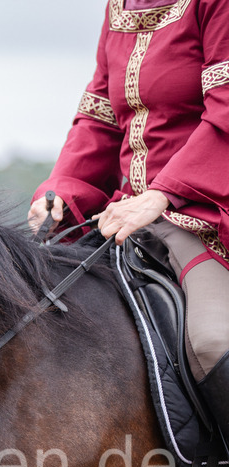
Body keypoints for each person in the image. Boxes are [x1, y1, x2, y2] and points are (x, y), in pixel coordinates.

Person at [28, 0, 229, 442]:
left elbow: (227, 112)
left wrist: (164, 193)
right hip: (128, 214)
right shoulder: (119, 8)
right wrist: (62, 188)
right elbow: (99, 118)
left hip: (209, 212)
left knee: (214, 339)